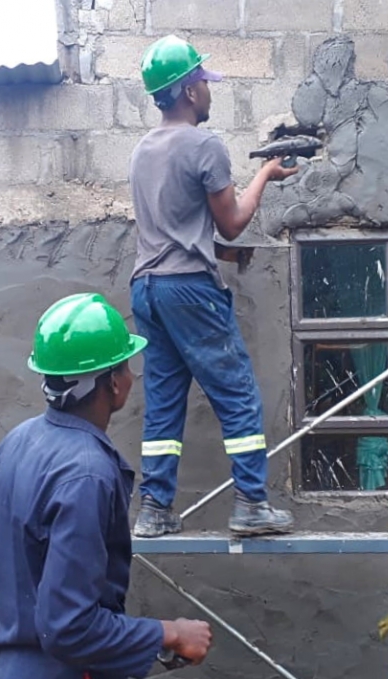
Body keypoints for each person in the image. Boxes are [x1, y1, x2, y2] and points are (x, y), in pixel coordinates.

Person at [0, 292, 213, 679]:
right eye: (126, 366)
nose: (131, 375)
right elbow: (69, 626)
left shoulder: (18, 442)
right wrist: (169, 632)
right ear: (110, 384)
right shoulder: (86, 473)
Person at [129, 35, 299, 538]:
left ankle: (154, 510)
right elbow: (231, 223)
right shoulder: (205, 146)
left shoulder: (142, 151)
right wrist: (265, 174)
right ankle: (250, 503)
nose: (209, 90)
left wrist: (219, 251)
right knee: (237, 393)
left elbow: (174, 225)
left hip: (148, 289)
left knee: (163, 402)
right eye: (204, 82)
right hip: (189, 291)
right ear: (186, 91)